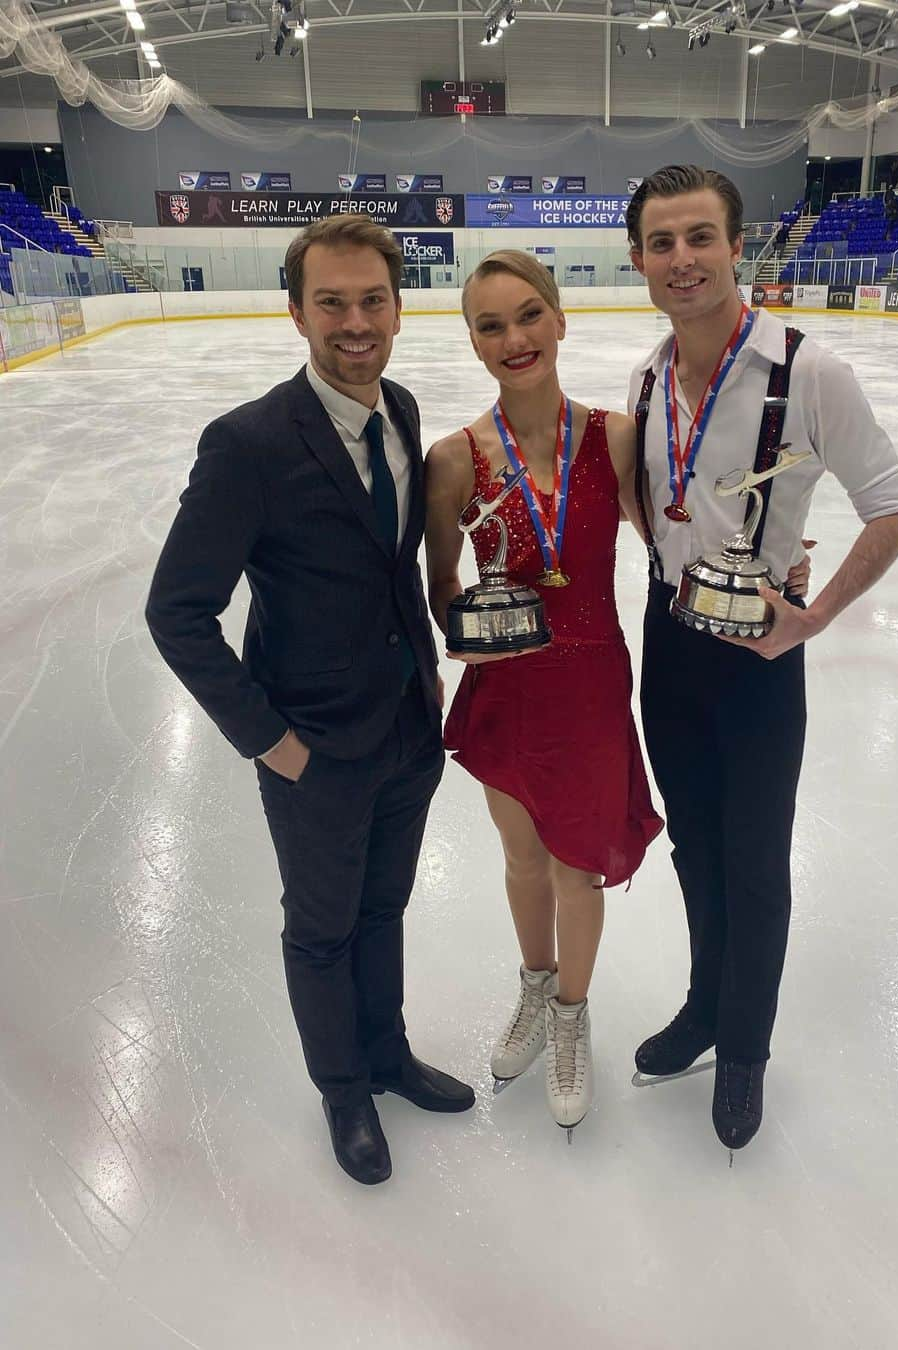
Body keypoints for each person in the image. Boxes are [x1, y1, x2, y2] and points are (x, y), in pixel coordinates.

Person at [424, 250, 810, 1136]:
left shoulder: (614, 437)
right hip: (507, 692)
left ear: (560, 320)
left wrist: (773, 553)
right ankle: (532, 991)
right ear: (474, 342)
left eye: (529, 316)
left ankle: (571, 1013)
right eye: (491, 325)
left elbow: (675, 526)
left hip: (592, 686)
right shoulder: (453, 459)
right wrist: (465, 628)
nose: (514, 338)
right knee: (523, 859)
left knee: (576, 867)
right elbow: (443, 586)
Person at [145, 216, 474, 1188]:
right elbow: (176, 612)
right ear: (296, 312)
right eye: (331, 302)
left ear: (399, 308)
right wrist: (271, 742)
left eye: (372, 299)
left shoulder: (404, 410)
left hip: (410, 729)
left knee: (385, 910)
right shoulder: (247, 444)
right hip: (315, 751)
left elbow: (392, 568)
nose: (354, 321)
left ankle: (388, 1055)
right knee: (323, 929)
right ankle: (344, 1089)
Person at [625, 165, 898, 1154]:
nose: (683, 259)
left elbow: (895, 505)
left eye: (699, 237)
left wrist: (818, 612)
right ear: (638, 260)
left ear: (735, 246)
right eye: (662, 242)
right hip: (670, 643)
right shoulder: (646, 379)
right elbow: (650, 507)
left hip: (758, 655)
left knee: (753, 862)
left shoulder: (811, 371)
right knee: (694, 848)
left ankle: (743, 1050)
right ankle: (707, 1005)